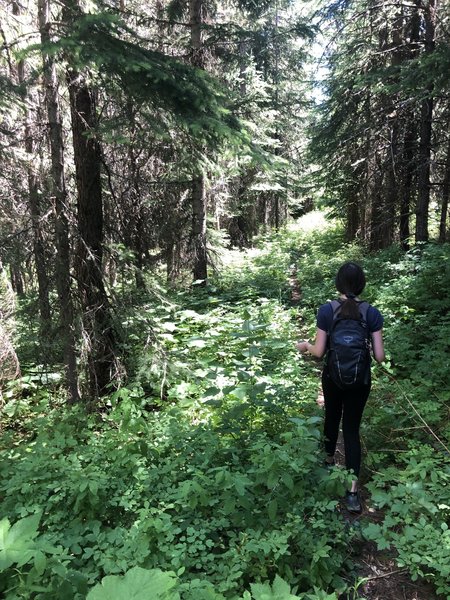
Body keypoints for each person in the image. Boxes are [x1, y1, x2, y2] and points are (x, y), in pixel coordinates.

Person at [297, 261, 385, 513]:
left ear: (338, 283)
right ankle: (353, 493)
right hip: (360, 380)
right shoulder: (372, 313)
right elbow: (379, 357)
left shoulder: (327, 311)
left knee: (332, 417)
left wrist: (304, 345)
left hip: (332, 377)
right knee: (351, 430)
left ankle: (327, 461)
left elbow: (319, 352)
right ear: (362, 284)